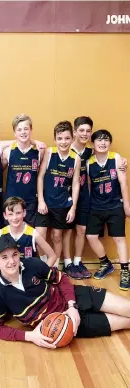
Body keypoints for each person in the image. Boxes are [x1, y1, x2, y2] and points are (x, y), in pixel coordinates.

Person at [0, 235, 130, 347]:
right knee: (126, 322)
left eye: (14, 254)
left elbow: (61, 278)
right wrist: (30, 336)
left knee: (127, 308)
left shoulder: (32, 264)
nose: (11, 261)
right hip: (60, 322)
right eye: (4, 257)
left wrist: (72, 306)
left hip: (73, 297)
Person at [86, 130, 130, 290]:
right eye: (99, 140)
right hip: (96, 206)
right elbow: (89, 187)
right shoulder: (89, 163)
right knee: (91, 236)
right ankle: (105, 263)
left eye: (106, 140)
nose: (103, 143)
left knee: (119, 239)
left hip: (115, 205)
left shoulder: (116, 158)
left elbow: (123, 183)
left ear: (109, 143)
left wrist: (126, 204)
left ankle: (125, 270)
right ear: (93, 144)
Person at [36, 121, 81, 268]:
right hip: (46, 202)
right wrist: (41, 200)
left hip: (62, 204)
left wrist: (73, 208)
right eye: (60, 138)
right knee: (40, 236)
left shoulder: (76, 159)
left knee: (57, 236)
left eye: (67, 138)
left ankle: (54, 267)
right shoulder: (50, 152)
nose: (63, 142)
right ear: (55, 139)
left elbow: (75, 184)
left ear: (72, 139)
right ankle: (44, 264)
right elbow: (40, 176)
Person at [62, 116, 94, 279]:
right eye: (81, 130)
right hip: (66, 196)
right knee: (67, 230)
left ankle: (77, 262)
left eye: (88, 131)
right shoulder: (66, 148)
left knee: (81, 229)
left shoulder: (92, 151)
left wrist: (122, 160)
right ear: (74, 132)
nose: (85, 134)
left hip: (84, 196)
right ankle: (67, 263)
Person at [3, 114, 46, 227]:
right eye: (19, 129)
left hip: (30, 200)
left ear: (31, 130)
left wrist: (34, 142)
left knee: (28, 235)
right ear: (15, 133)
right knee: (11, 237)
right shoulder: (8, 151)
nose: (23, 132)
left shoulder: (39, 151)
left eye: (26, 129)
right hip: (11, 200)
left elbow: (40, 173)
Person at [0, 196, 56, 266]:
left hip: (28, 275)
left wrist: (43, 273)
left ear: (24, 212)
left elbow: (52, 256)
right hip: (9, 274)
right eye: (10, 214)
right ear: (5, 215)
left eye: (18, 213)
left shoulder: (33, 234)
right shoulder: (0, 234)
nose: (15, 217)